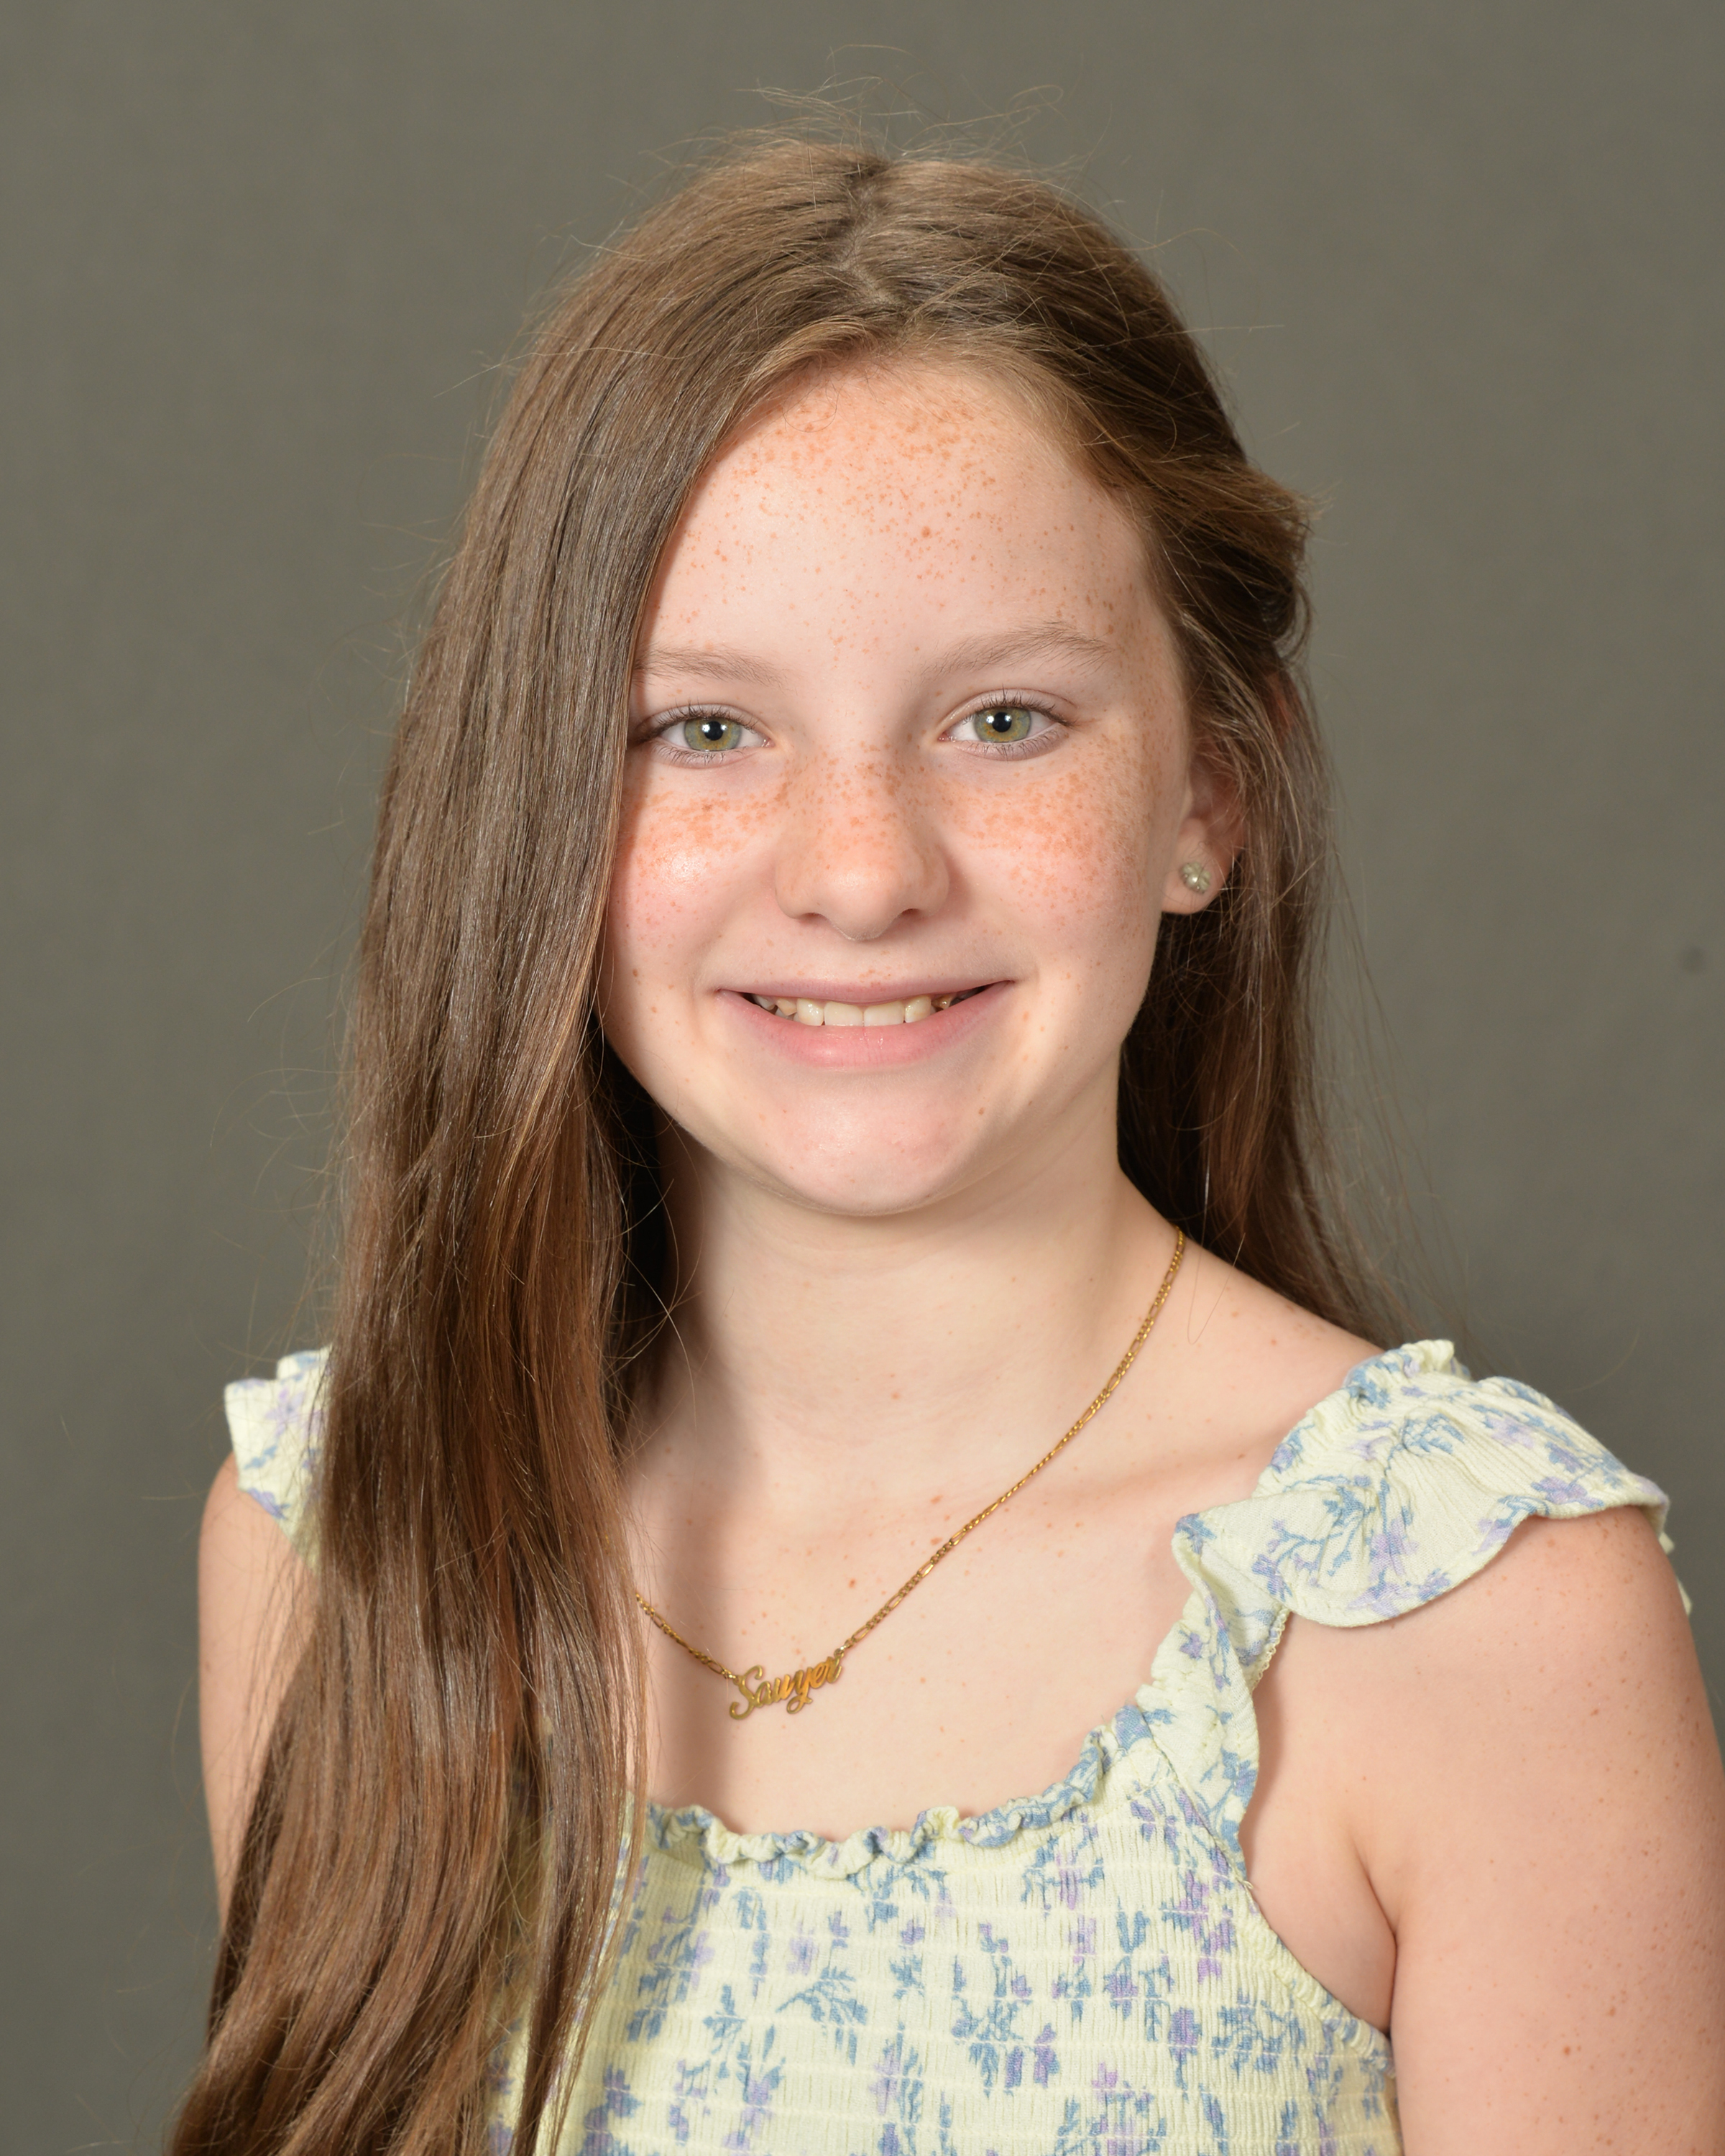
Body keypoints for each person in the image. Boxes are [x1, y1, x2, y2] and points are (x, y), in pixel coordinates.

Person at [175, 132, 1725, 2156]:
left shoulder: (1465, 1622)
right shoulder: (338, 1546)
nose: (861, 872)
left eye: (1004, 720)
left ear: (1210, 799)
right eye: (704, 728)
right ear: (538, 796)